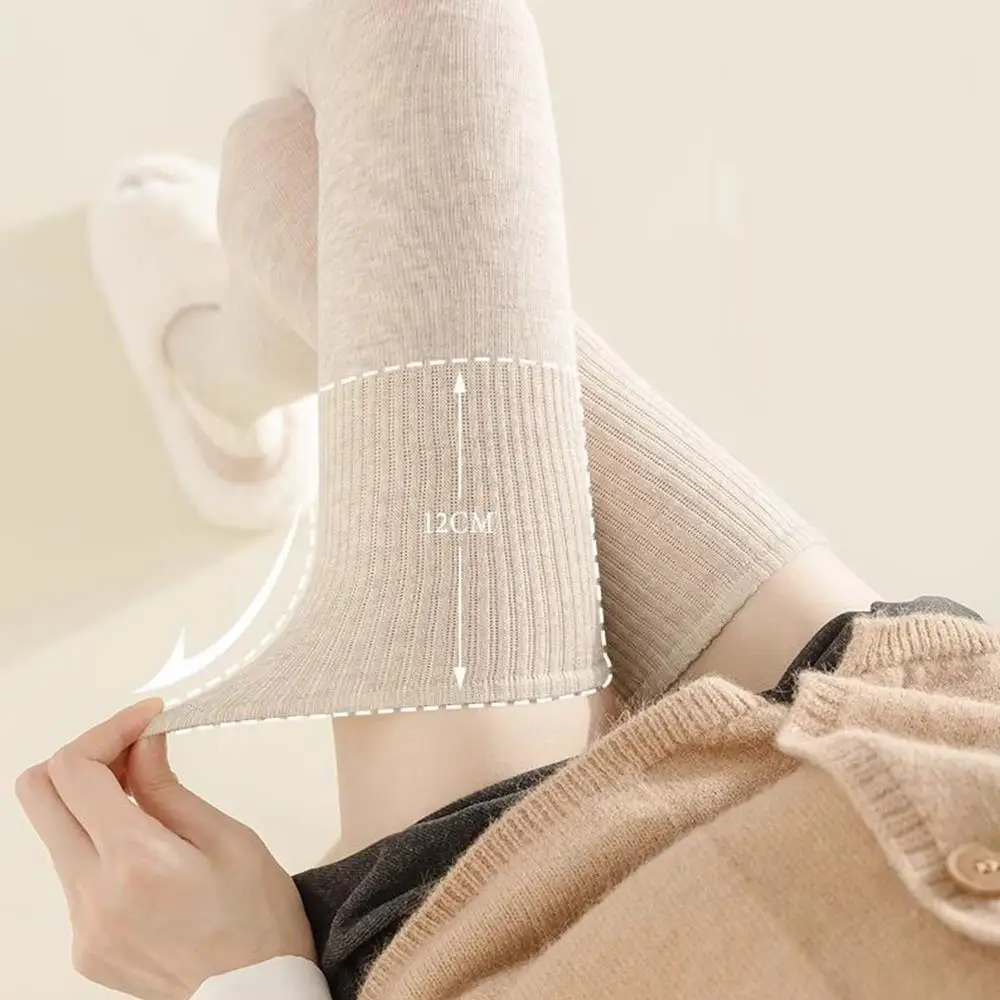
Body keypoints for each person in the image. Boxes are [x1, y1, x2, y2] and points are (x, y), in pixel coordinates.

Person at [14, 1, 1000, 998]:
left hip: (529, 919)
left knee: (417, 51)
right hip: (920, 751)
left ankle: (220, 378)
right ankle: (228, 372)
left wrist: (247, 981)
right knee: (334, 181)